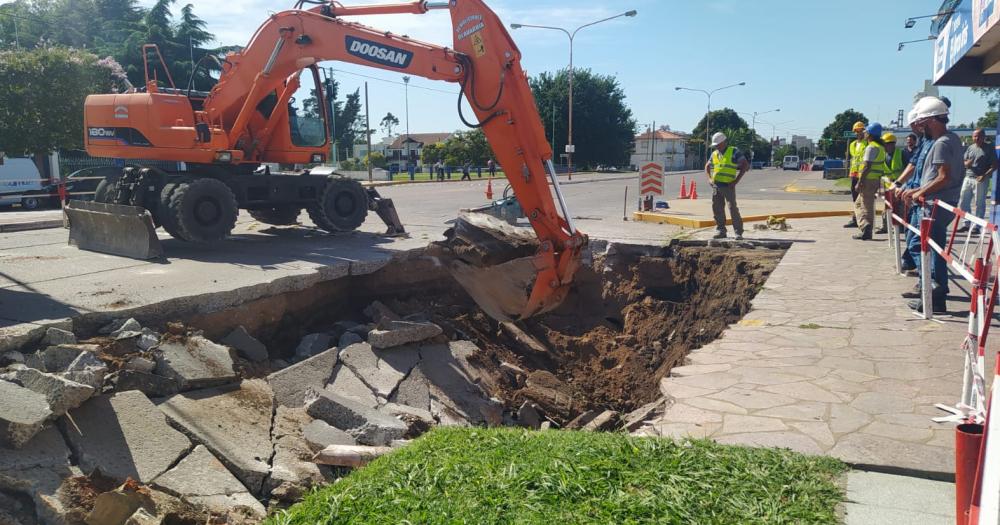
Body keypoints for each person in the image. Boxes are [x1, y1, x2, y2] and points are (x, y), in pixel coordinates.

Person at [901, 96, 965, 314]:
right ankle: (933, 296)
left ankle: (933, 288)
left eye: (923, 124)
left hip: (935, 205)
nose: (921, 129)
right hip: (937, 203)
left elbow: (943, 177)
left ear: (932, 121)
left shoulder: (941, 143)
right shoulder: (951, 139)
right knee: (933, 249)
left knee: (922, 248)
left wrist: (919, 192)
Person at [891, 111, 934, 276]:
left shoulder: (938, 142)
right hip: (916, 194)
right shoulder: (924, 141)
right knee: (911, 236)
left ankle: (929, 285)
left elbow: (939, 175)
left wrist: (916, 191)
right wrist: (900, 183)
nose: (916, 128)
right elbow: (914, 164)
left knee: (918, 242)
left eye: (916, 124)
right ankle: (922, 276)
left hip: (927, 198)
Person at [705, 132, 749, 240]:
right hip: (716, 186)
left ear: (724, 142)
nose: (716, 146)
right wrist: (710, 179)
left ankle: (738, 232)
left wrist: (736, 181)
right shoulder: (715, 153)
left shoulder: (734, 151)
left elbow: (745, 165)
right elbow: (707, 166)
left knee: (732, 208)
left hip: (728, 186)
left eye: (718, 144)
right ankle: (721, 230)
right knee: (717, 208)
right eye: (715, 145)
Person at [853, 123, 887, 240]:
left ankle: (866, 228)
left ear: (870, 134)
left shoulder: (871, 147)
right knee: (859, 204)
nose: (864, 134)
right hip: (876, 179)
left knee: (866, 206)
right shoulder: (881, 147)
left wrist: (860, 181)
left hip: (868, 179)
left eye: (866, 132)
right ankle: (865, 227)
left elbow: (867, 166)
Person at [958, 128, 995, 227]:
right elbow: (964, 162)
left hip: (981, 179)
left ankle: (977, 226)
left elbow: (995, 165)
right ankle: (966, 223)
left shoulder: (989, 148)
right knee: (963, 201)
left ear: (984, 137)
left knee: (979, 203)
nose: (976, 138)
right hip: (968, 177)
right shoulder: (970, 147)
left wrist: (985, 175)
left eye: (979, 136)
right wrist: (967, 164)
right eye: (975, 136)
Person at [875, 132, 905, 235]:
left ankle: (900, 227)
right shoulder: (883, 154)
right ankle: (885, 227)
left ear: (892, 144)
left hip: (899, 185)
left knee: (900, 207)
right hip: (887, 185)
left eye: (886, 144)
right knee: (887, 206)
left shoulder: (901, 153)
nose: (885, 146)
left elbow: (907, 170)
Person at [844, 121, 868, 228]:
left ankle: (863, 220)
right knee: (855, 199)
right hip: (854, 174)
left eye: (861, 130)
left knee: (862, 200)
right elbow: (854, 159)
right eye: (857, 131)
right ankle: (856, 219)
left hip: (863, 175)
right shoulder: (853, 144)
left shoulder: (867, 143)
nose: (859, 133)